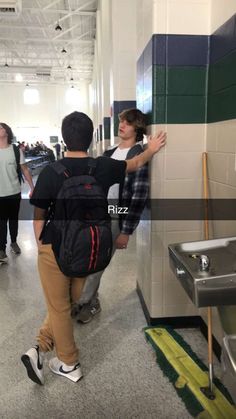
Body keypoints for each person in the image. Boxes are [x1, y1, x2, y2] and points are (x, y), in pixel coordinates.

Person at [21, 111, 166, 385]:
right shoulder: (103, 165)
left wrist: (42, 245)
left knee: (59, 306)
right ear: (90, 138)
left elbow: (38, 215)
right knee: (68, 301)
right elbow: (135, 163)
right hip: (89, 246)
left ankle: (69, 363)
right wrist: (152, 149)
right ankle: (39, 349)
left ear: (64, 139)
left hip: (56, 246)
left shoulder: (51, 172)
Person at [74, 108, 149, 323]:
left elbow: (139, 194)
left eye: (127, 122)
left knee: (100, 261)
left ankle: (84, 302)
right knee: (91, 258)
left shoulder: (138, 154)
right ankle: (90, 300)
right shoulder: (109, 153)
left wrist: (126, 230)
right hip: (97, 212)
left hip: (116, 213)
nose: (122, 124)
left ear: (137, 127)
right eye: (121, 121)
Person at [0, 123, 34, 262]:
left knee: (13, 219)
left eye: (1, 127)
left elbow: (25, 169)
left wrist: (32, 187)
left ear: (7, 132)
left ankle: (14, 242)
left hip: (14, 192)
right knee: (1, 222)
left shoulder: (15, 150)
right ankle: (1, 248)